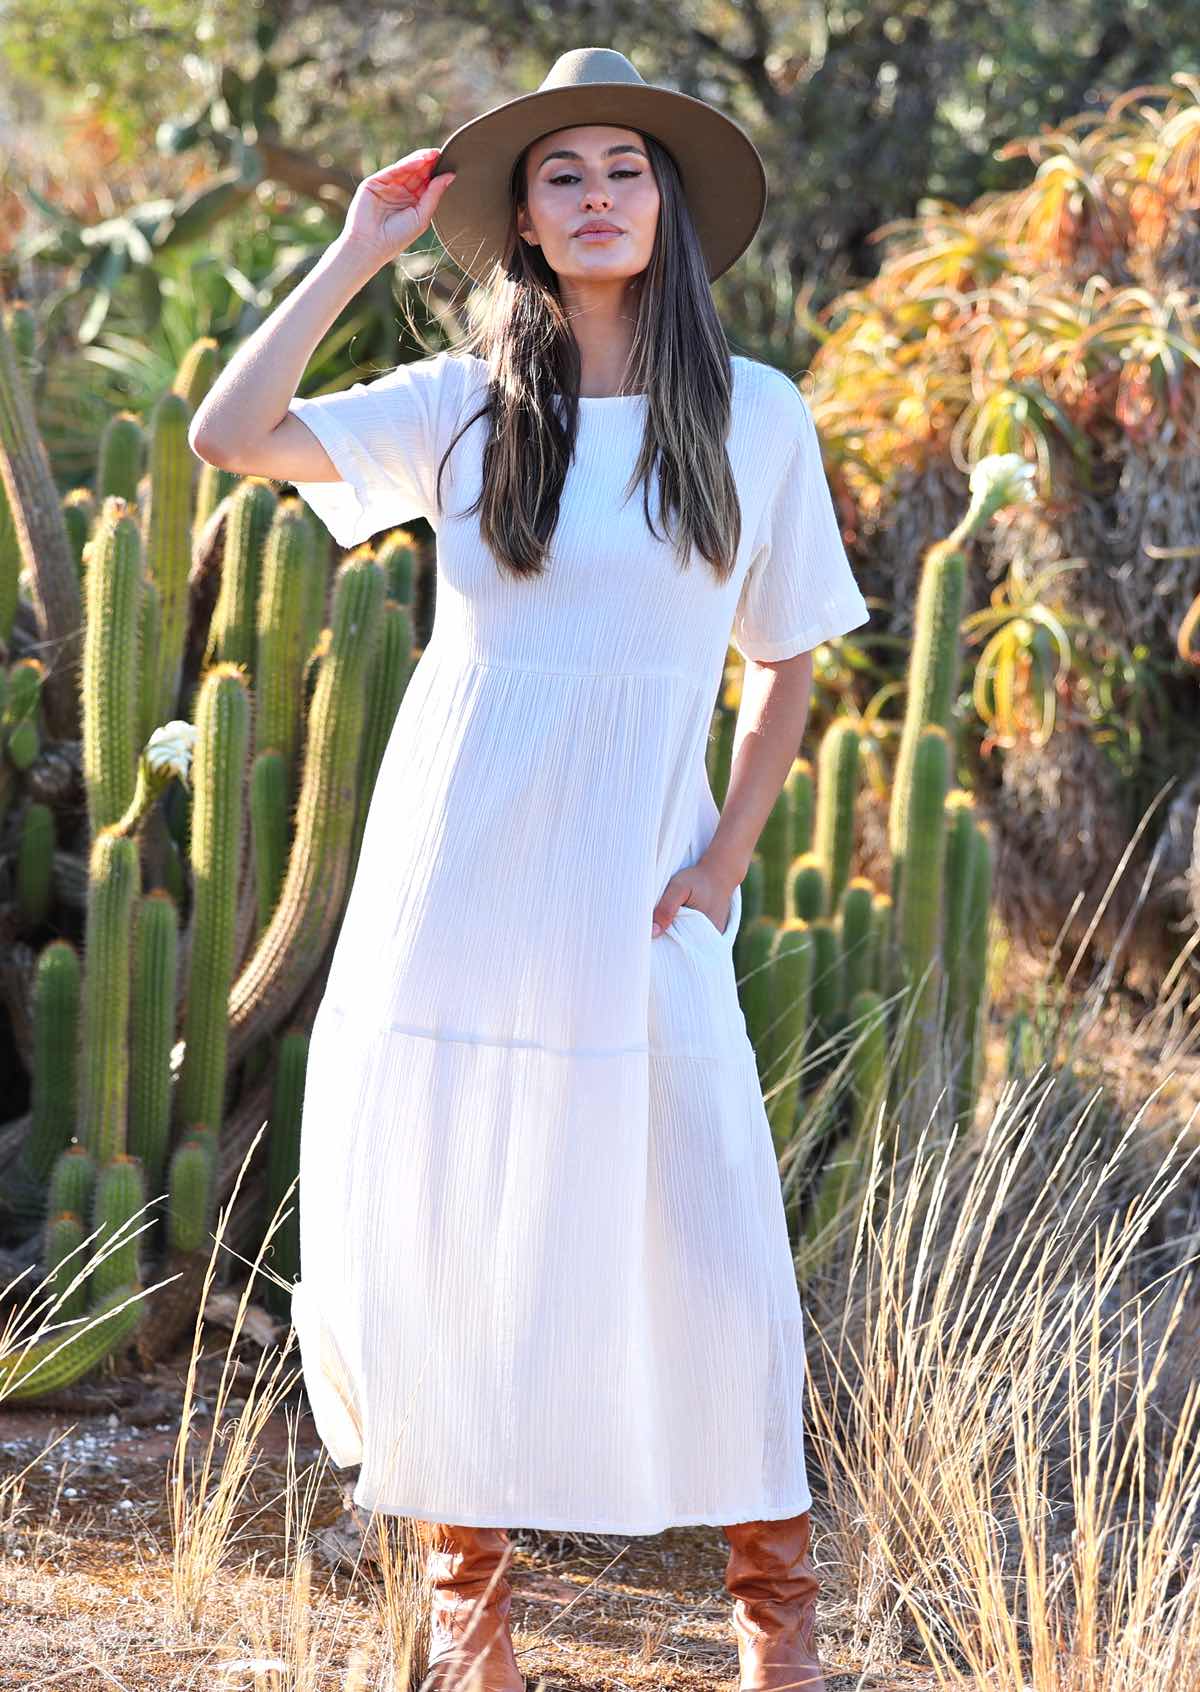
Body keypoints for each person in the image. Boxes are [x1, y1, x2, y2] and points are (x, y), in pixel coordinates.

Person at [190, 44, 869, 1692]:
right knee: (456, 1212)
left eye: (621, 169)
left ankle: (775, 1627)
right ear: (522, 221)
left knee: (705, 1223)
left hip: (639, 883)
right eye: (558, 175)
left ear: (668, 205)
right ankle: (470, 1628)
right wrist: (359, 246)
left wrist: (724, 858)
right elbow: (230, 432)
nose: (593, 195)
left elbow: (788, 660)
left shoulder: (757, 416)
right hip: (460, 879)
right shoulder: (465, 407)